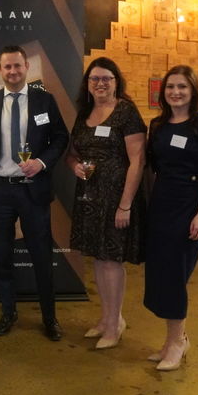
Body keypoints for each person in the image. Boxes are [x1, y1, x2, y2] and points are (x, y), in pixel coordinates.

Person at [0, 45, 69, 341]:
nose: (13, 72)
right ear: (0, 71)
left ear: (27, 67)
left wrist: (41, 162)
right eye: (7, 67)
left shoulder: (44, 101)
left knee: (41, 256)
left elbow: (61, 137)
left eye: (17, 66)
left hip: (33, 191)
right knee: (2, 256)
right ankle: (8, 312)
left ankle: (49, 318)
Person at [144, 65, 198, 371]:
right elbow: (151, 168)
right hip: (161, 207)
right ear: (163, 92)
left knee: (176, 276)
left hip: (190, 208)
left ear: (193, 91)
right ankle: (171, 340)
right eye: (170, 87)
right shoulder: (159, 125)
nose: (175, 92)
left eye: (182, 87)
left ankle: (178, 342)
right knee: (162, 273)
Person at [65, 57, 146, 350]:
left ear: (116, 82)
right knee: (98, 259)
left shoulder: (125, 111)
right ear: (88, 84)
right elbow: (72, 153)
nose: (100, 84)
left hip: (116, 198)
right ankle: (106, 318)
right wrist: (74, 166)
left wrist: (125, 204)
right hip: (89, 197)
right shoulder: (85, 112)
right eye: (95, 79)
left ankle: (115, 324)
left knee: (112, 260)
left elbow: (138, 160)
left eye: (106, 79)